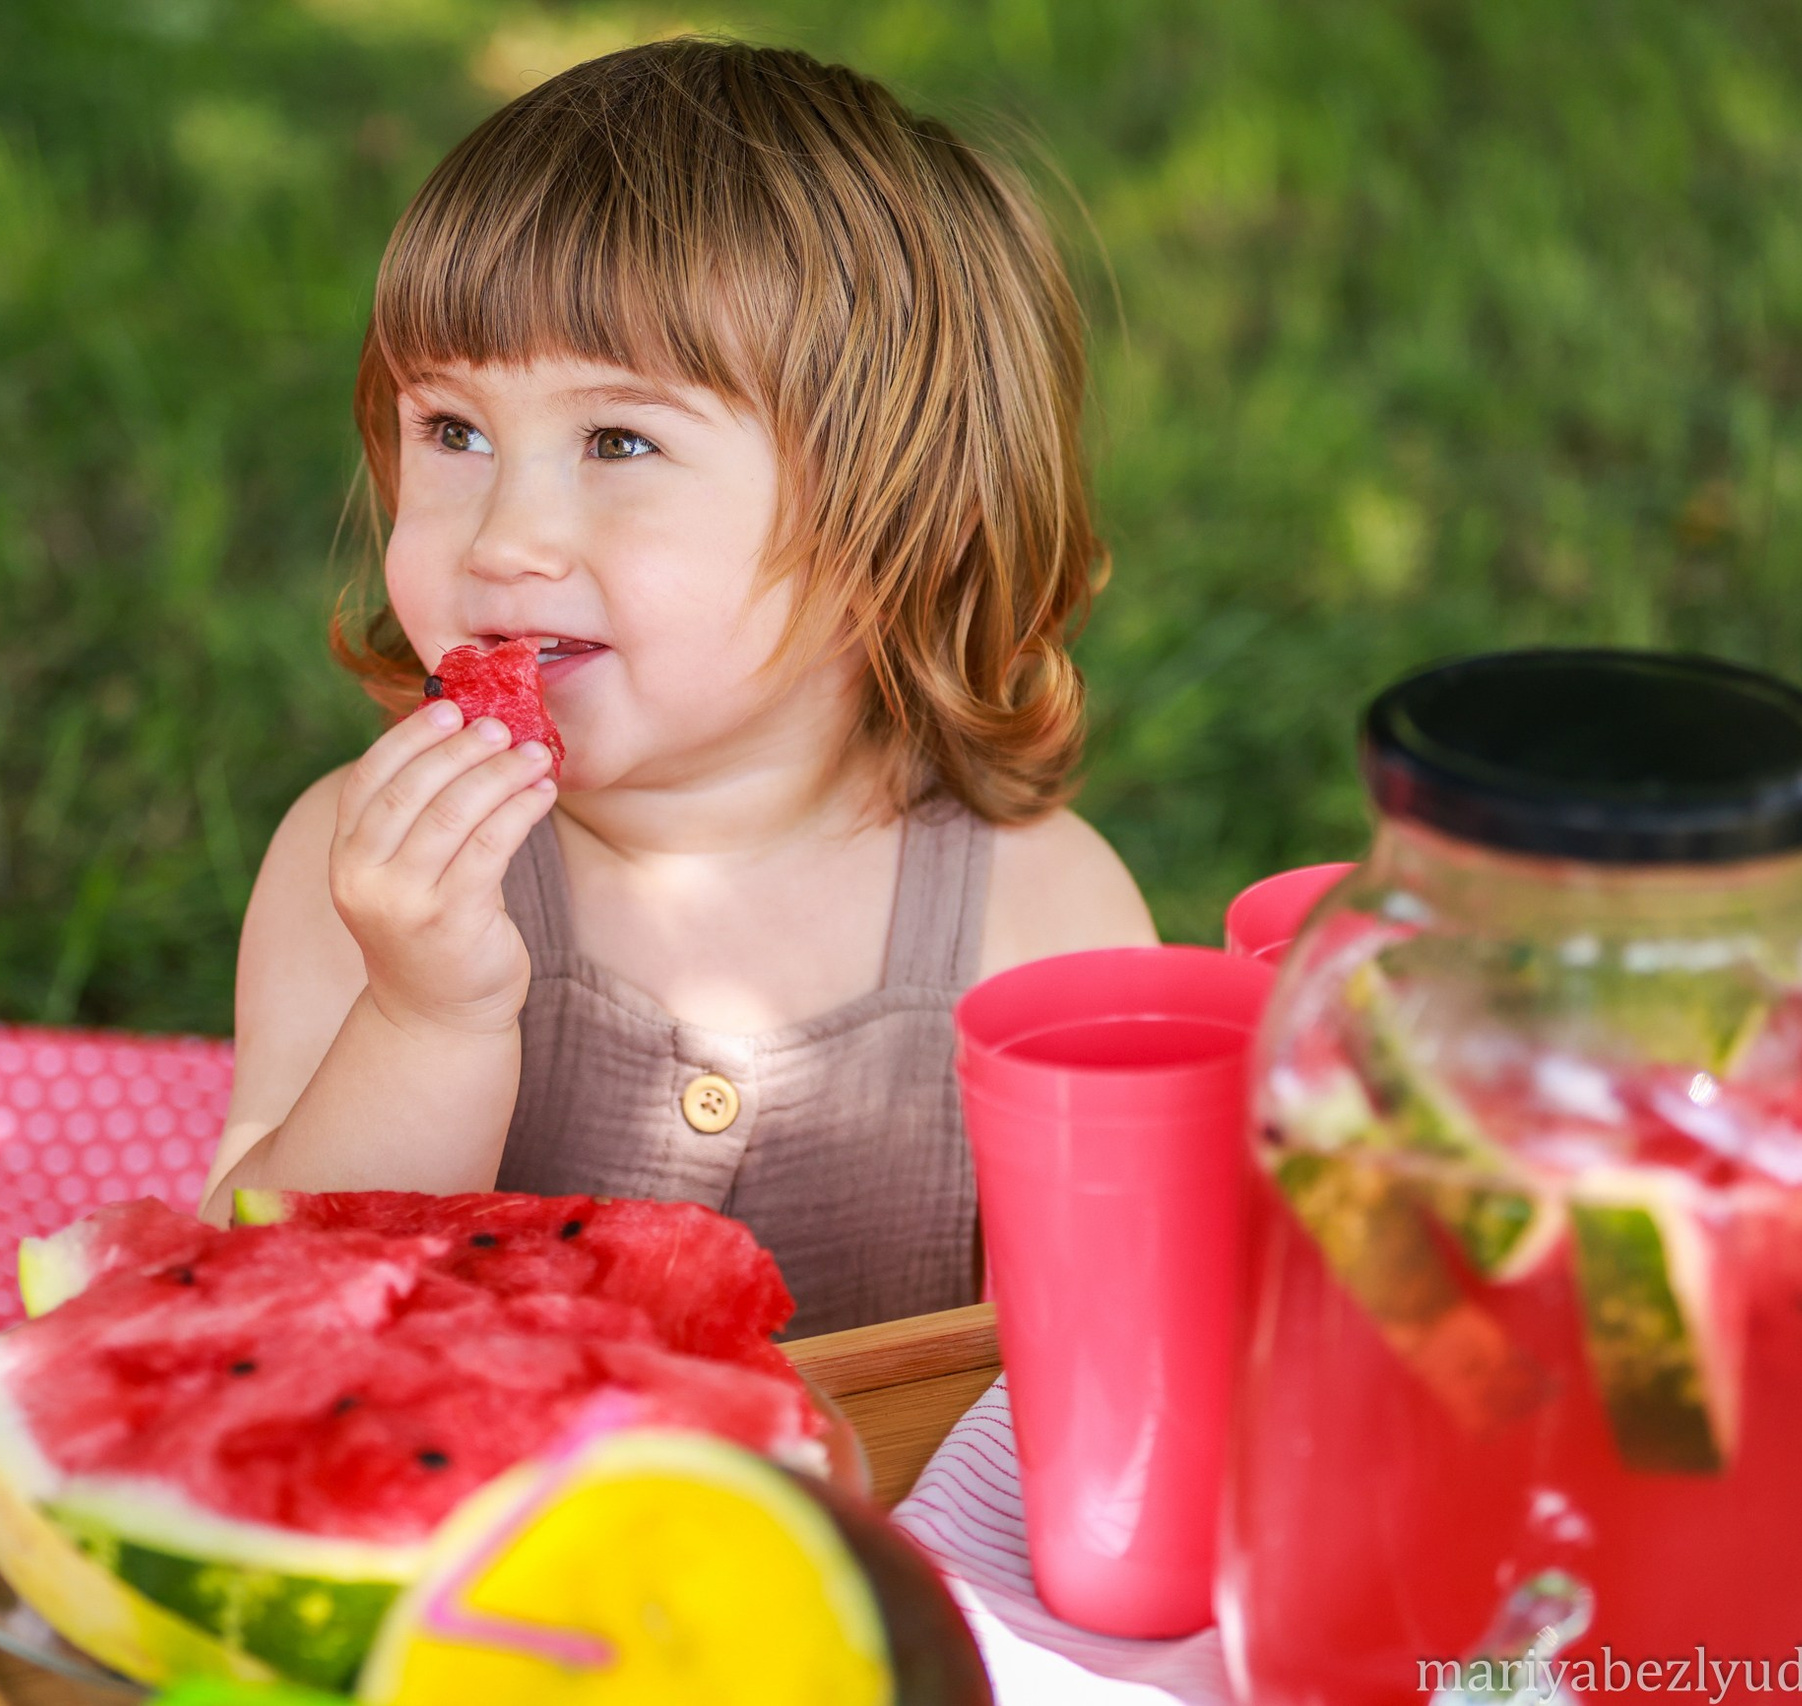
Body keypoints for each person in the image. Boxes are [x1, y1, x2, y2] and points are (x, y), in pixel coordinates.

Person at [202, 37, 1155, 1335]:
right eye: (455, 431)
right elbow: (258, 1316)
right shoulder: (363, 872)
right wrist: (421, 1010)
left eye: (618, 439)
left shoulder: (1039, 909)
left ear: (892, 532)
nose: (504, 535)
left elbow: (1094, 1364)